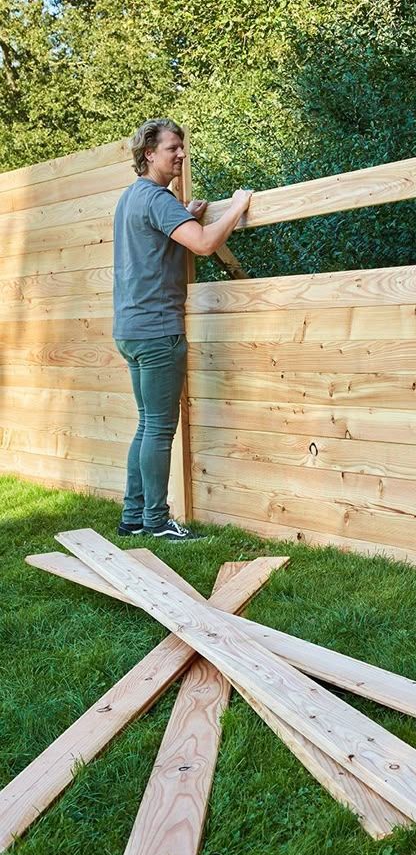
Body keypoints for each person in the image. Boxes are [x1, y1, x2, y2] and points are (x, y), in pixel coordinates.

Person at [113, 117, 252, 542]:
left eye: (181, 147)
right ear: (149, 153)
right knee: (158, 428)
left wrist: (184, 216)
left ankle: (133, 517)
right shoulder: (156, 198)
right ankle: (156, 521)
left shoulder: (131, 198)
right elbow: (206, 244)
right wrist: (238, 206)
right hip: (157, 330)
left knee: (146, 424)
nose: (181, 154)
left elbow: (161, 240)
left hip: (131, 329)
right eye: (173, 148)